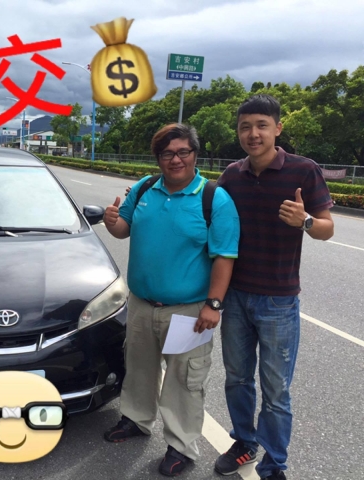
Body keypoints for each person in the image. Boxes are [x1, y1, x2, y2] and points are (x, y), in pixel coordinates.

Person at [102, 123, 240, 477]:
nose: (175, 159)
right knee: (140, 369)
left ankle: (181, 446)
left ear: (195, 154)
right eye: (167, 153)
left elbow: (224, 257)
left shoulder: (214, 199)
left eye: (183, 152)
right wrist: (112, 221)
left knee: (184, 381)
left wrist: (214, 305)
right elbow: (123, 229)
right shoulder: (145, 188)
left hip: (189, 311)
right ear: (158, 158)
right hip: (141, 303)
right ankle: (136, 419)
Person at [213, 94, 334, 480]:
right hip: (236, 297)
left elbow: (327, 228)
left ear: (278, 128)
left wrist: (305, 220)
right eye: (245, 127)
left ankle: (274, 464)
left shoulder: (304, 170)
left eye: (262, 126)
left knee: (276, 389)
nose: (253, 134)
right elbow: (211, 221)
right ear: (238, 132)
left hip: (278, 301)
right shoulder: (232, 175)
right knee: (237, 379)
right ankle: (244, 443)